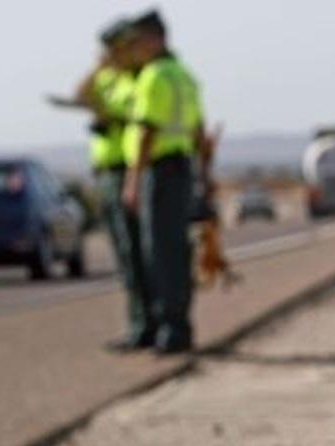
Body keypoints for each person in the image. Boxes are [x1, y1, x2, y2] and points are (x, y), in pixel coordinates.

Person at [122, 10, 211, 354]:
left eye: (139, 42)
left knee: (159, 252)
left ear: (155, 39)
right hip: (182, 169)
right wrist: (204, 175)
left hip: (159, 172)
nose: (136, 50)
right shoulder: (184, 76)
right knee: (176, 250)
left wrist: (133, 180)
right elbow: (199, 130)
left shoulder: (154, 76)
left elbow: (146, 131)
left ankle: (170, 329)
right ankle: (178, 325)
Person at [75, 18, 156, 352]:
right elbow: (81, 95)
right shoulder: (109, 77)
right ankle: (140, 323)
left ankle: (146, 325)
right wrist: (98, 68)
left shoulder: (134, 82)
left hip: (126, 171)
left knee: (135, 253)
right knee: (126, 256)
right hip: (106, 173)